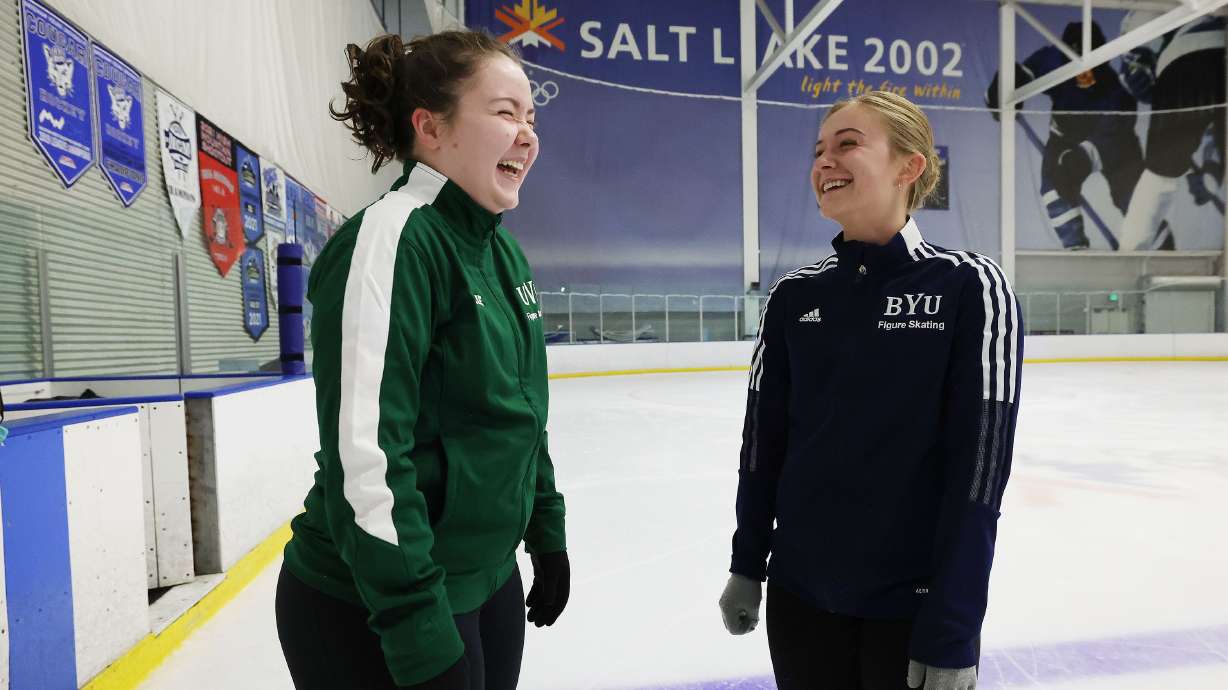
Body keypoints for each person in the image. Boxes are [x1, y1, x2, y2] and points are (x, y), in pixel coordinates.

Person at [275, 31, 568, 690]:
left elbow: (522, 415)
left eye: (531, 117)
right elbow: (368, 460)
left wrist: (545, 527)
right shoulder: (392, 243)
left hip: (484, 582)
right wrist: (418, 630)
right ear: (431, 128)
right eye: (504, 112)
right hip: (376, 607)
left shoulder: (500, 253)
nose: (527, 134)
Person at [719, 91, 1023, 690]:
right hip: (800, 601)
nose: (824, 162)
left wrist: (954, 624)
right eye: (818, 151)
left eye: (848, 144)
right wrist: (748, 563)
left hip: (909, 610)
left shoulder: (970, 286)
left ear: (909, 167)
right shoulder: (794, 296)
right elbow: (764, 447)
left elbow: (980, 470)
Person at [986, 22, 1164, 250]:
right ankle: (1076, 249)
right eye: (1074, 59)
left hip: (1117, 146)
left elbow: (1112, 140)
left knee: (1136, 201)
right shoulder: (1052, 59)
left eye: (1091, 64)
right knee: (1055, 185)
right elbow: (1020, 78)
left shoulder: (1119, 93)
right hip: (1065, 135)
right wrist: (1003, 88)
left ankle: (1162, 249)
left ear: (1104, 58)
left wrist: (1083, 158)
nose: (1083, 72)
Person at [1116, 13, 1226, 250]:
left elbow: (1135, 59)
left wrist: (1137, 67)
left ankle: (1129, 255)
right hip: (1216, 44)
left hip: (1185, 57)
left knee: (1161, 174)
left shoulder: (1142, 14)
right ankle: (1214, 169)